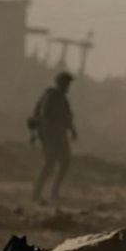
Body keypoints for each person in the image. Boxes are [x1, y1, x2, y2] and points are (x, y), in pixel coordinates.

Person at [30, 70, 77, 203]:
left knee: (64, 162)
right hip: (51, 135)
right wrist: (46, 135)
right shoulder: (52, 96)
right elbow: (45, 116)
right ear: (62, 83)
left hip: (59, 134)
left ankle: (53, 192)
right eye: (67, 83)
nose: (68, 86)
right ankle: (37, 194)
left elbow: (67, 117)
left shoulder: (61, 98)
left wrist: (72, 130)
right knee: (50, 163)